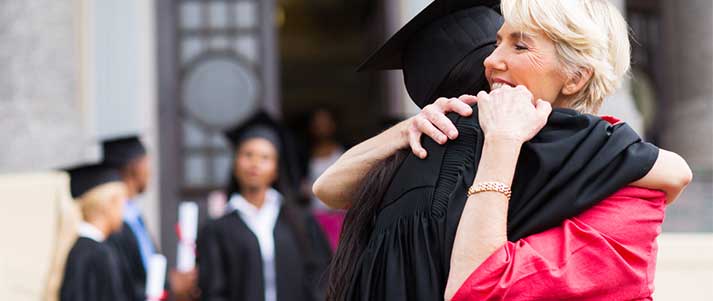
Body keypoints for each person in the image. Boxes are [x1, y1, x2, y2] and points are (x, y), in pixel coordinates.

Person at [315, 0, 692, 300]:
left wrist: (502, 141)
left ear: (576, 77)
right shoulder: (438, 142)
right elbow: (675, 171)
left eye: (520, 44)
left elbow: (329, 188)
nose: (491, 61)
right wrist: (410, 127)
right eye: (497, 41)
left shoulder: (573, 150)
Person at [196, 111, 332, 301]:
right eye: (248, 155)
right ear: (235, 164)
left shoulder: (301, 222)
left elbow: (320, 278)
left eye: (265, 157)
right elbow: (214, 291)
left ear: (276, 169)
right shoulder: (216, 229)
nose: (255, 164)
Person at [103, 136, 197, 301]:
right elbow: (122, 285)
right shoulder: (114, 225)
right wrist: (169, 285)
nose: (150, 172)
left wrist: (169, 281)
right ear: (135, 167)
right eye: (147, 163)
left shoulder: (135, 217)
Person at [60, 164, 129, 301]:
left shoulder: (82, 249)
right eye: (122, 204)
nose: (124, 212)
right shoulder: (98, 253)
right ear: (109, 204)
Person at [304, 108, 346, 250]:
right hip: (315, 214)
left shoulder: (343, 152)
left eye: (325, 122)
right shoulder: (304, 155)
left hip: (339, 214)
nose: (321, 127)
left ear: (333, 124)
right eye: (317, 123)